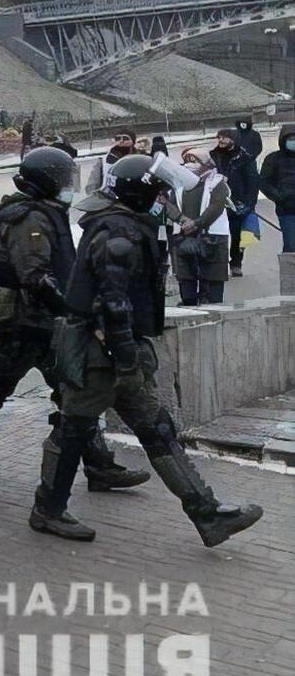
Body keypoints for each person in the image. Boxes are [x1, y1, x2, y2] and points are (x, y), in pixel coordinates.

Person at [35, 153, 263, 546]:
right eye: (157, 190)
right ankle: (47, 509)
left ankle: (207, 515)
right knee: (73, 431)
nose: (162, 197)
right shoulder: (118, 233)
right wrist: (125, 357)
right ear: (141, 192)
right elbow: (112, 302)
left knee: (156, 430)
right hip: (100, 354)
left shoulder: (122, 225)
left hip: (117, 353)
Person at [0, 147, 149, 491]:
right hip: (22, 322)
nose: (68, 186)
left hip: (43, 320)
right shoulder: (28, 218)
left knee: (74, 391)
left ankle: (98, 465)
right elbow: (35, 275)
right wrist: (75, 309)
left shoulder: (43, 211)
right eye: (63, 179)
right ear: (46, 180)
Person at [165, 149, 232, 305]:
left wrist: (196, 223)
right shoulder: (178, 184)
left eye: (194, 161)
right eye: (186, 161)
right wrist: (182, 220)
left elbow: (215, 207)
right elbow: (168, 204)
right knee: (186, 281)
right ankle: (189, 307)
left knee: (212, 287)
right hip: (184, 238)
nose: (189, 165)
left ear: (206, 164)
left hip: (212, 239)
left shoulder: (218, 183)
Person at [210, 128, 259, 278]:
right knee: (217, 234)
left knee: (237, 235)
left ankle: (236, 263)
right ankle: (218, 264)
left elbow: (252, 182)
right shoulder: (213, 156)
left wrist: (249, 204)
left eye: (224, 138)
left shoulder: (245, 158)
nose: (221, 141)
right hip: (217, 202)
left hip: (238, 202)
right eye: (219, 138)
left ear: (234, 139)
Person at [259, 124, 295, 252]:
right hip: (287, 210)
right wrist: (279, 196)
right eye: (290, 139)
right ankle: (290, 271)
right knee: (291, 246)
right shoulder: (273, 159)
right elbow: (263, 182)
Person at [84, 129, 135, 193]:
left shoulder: (140, 159)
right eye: (118, 139)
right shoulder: (103, 161)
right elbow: (91, 186)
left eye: (125, 138)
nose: (121, 141)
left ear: (133, 142)